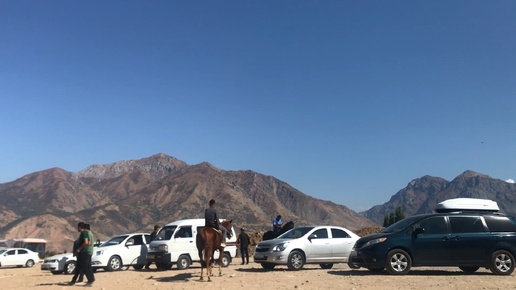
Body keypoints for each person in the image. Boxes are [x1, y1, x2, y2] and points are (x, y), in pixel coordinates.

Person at [72, 222, 95, 286]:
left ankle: (90, 280)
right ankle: (74, 280)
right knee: (82, 266)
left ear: (79, 227)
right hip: (86, 252)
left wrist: (79, 249)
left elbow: (86, 242)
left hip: (84, 252)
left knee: (85, 267)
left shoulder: (84, 233)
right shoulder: (88, 233)